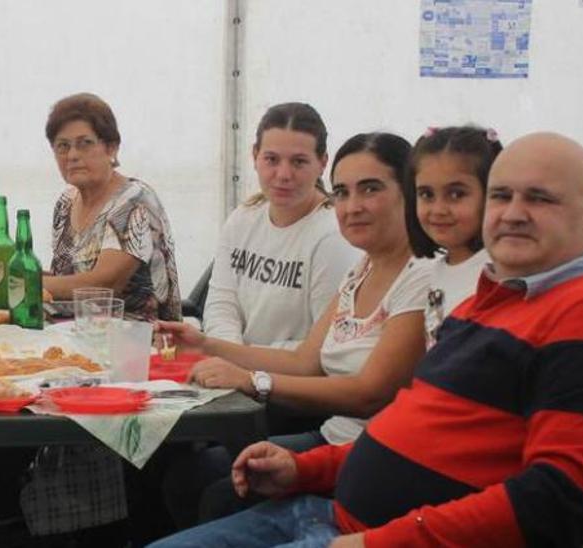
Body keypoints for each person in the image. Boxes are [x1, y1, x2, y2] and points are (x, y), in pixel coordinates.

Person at [150, 132, 583, 548]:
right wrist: (303, 468)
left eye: (539, 198)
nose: (513, 212)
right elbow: (412, 431)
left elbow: (559, 501)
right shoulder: (488, 300)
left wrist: (378, 543)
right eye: (503, 196)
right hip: (331, 507)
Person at [157, 132, 430, 527]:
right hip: (335, 435)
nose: (353, 206)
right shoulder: (364, 268)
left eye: (370, 189)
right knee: (186, 477)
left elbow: (370, 394)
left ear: (409, 192)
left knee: (216, 491)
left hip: (373, 455)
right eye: (342, 192)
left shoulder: (421, 277)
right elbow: (305, 360)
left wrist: (253, 379)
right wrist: (205, 344)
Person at [205, 103, 358, 349]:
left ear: (322, 163)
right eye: (271, 159)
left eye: (298, 162)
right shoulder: (243, 218)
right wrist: (232, 356)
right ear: (255, 156)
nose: (284, 174)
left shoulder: (333, 237)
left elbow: (327, 346)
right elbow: (221, 305)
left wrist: (244, 362)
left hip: (292, 381)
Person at [44, 92, 182, 322]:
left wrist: (26, 283)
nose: (73, 155)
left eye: (84, 144)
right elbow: (64, 280)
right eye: (62, 146)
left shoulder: (134, 202)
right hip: (71, 334)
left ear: (111, 148)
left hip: (137, 343)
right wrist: (14, 273)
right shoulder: (66, 203)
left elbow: (103, 285)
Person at [406, 125, 502, 348]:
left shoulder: (496, 273)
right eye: (426, 194)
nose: (438, 209)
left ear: (492, 193)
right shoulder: (437, 269)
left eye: (456, 194)